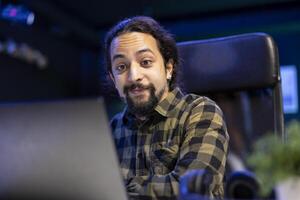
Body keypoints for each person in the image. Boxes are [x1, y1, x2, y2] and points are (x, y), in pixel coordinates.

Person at [104, 16, 229, 200]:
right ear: (113, 79)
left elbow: (191, 189)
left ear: (168, 68)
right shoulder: (113, 129)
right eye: (121, 67)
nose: (133, 76)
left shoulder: (200, 111)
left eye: (145, 62)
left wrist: (117, 190)